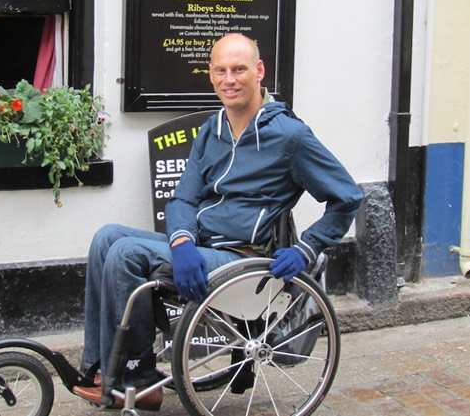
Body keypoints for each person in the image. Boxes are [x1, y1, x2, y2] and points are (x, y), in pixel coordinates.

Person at [73, 33, 363, 410]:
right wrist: (181, 242)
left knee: (126, 252)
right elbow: (183, 198)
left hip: (243, 259)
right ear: (210, 76)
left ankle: (138, 375)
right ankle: (99, 369)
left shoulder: (291, 136)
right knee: (106, 237)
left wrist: (306, 249)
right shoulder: (212, 130)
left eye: (239, 69)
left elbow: (347, 196)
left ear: (259, 71)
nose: (230, 79)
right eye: (221, 70)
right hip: (204, 249)